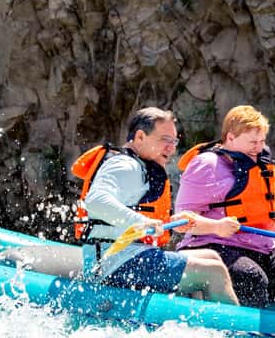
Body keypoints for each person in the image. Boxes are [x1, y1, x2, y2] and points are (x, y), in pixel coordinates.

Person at [77, 107, 239, 305]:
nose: (171, 148)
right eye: (165, 140)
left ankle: (203, 320)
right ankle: (237, 333)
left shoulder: (140, 165)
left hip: (130, 256)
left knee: (211, 256)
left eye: (174, 141)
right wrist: (142, 222)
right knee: (214, 273)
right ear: (140, 136)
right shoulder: (125, 165)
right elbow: (96, 201)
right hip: (114, 263)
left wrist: (171, 223)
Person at [175, 105, 275, 307]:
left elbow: (252, 214)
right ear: (230, 138)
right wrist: (216, 226)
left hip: (262, 249)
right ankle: (247, 331)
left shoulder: (260, 163)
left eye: (262, 141)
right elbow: (180, 221)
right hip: (216, 246)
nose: (258, 147)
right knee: (251, 277)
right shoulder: (206, 165)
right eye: (252, 142)